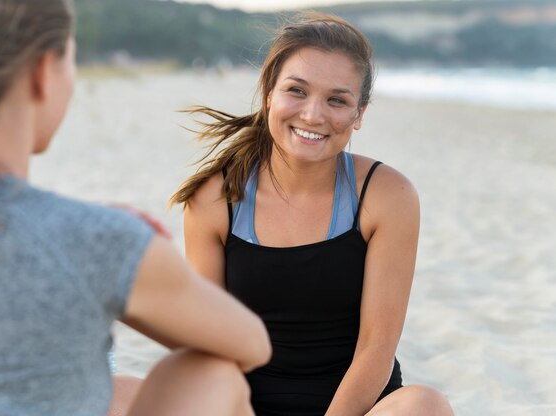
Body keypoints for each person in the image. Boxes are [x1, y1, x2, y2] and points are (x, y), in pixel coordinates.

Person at [0, 1, 271, 415]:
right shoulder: (91, 238)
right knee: (213, 373)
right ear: (41, 75)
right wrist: (127, 268)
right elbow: (252, 343)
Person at [171, 12, 454, 416]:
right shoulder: (216, 198)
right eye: (297, 91)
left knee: (427, 405)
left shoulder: (388, 194)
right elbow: (210, 345)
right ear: (269, 93)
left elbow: (377, 347)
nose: (313, 115)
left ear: (359, 115)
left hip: (356, 408)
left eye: (337, 100)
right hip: (242, 407)